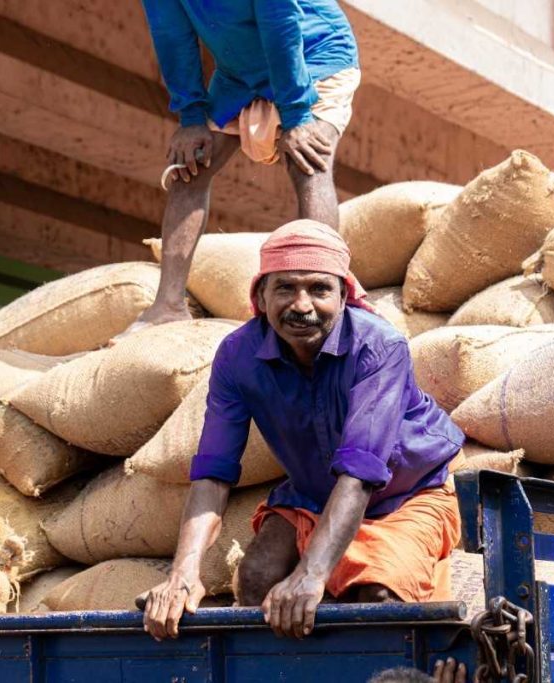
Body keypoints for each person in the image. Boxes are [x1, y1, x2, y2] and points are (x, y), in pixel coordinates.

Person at [142, 220, 464, 641]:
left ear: (344, 295)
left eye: (319, 289)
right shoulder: (237, 356)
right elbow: (214, 471)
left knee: (377, 597)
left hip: (406, 496)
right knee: (257, 578)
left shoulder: (380, 347)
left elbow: (360, 473)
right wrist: (182, 574)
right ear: (259, 295)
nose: (302, 305)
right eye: (284, 288)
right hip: (311, 496)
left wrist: (312, 573)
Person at [129, 0, 361, 335]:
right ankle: (168, 306)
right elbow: (171, 34)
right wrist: (192, 116)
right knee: (189, 169)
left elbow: (279, 20)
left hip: (314, 55)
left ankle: (321, 309)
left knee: (307, 163)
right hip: (240, 75)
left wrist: (296, 115)